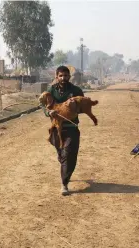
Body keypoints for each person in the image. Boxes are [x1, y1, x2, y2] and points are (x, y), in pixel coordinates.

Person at [43, 66, 84, 196]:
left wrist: (75, 107)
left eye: (65, 76)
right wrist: (49, 112)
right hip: (56, 128)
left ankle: (64, 183)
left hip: (71, 128)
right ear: (56, 77)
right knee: (62, 154)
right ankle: (63, 162)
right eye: (60, 76)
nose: (63, 78)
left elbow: (83, 107)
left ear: (69, 76)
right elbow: (45, 107)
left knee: (69, 155)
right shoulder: (51, 90)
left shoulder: (76, 90)